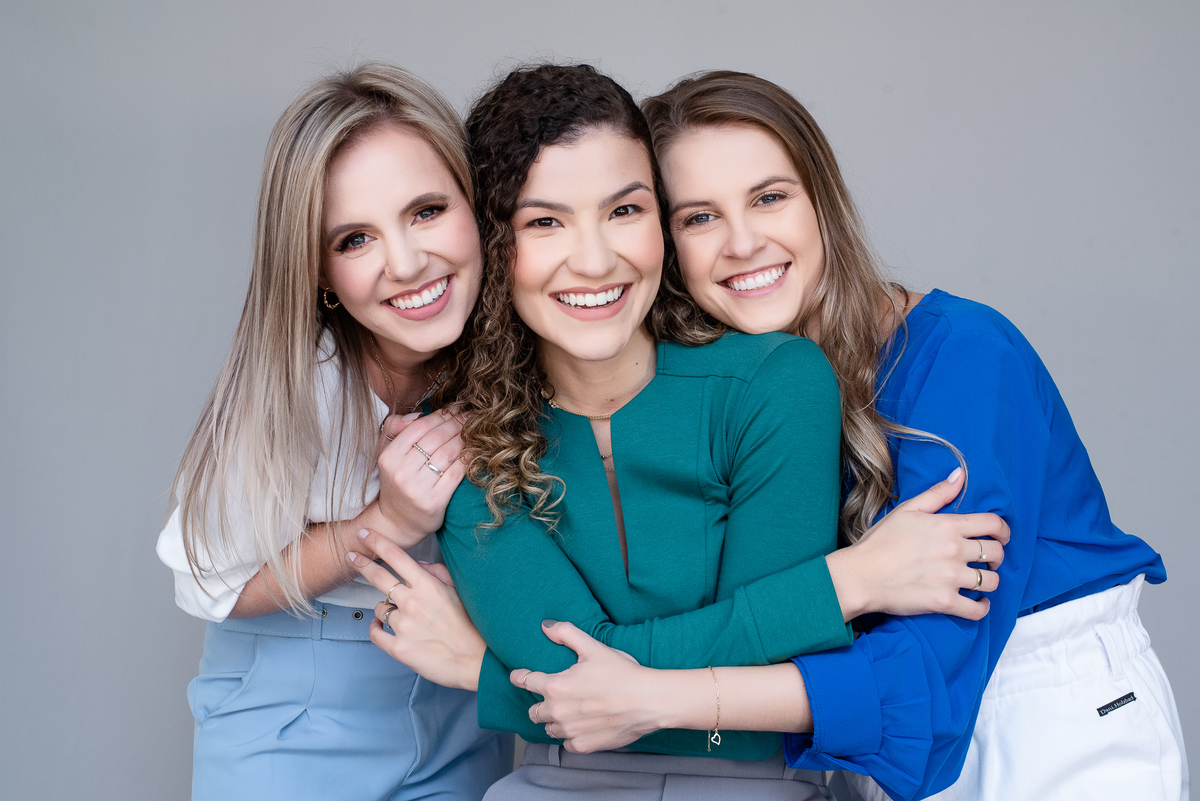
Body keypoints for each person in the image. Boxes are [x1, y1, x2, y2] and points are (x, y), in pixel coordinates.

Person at [502, 71, 1186, 801]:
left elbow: (924, 680)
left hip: (1046, 725)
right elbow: (696, 621)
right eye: (699, 217)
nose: (742, 242)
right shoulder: (737, 399)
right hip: (864, 754)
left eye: (770, 198)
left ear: (822, 203)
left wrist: (654, 697)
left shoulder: (964, 355)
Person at [349, 63, 1008, 800]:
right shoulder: (463, 441)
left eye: (624, 211)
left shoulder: (775, 383)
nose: (595, 259)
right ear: (492, 243)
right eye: (544, 222)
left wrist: (485, 672)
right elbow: (588, 686)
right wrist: (843, 585)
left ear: (660, 223)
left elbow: (763, 714)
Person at [155, 63, 512, 801]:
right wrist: (385, 522)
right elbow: (210, 582)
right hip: (292, 710)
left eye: (427, 211)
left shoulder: (515, 355)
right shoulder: (297, 386)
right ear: (318, 272)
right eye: (354, 240)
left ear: (475, 205)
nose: (406, 263)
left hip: (459, 701)